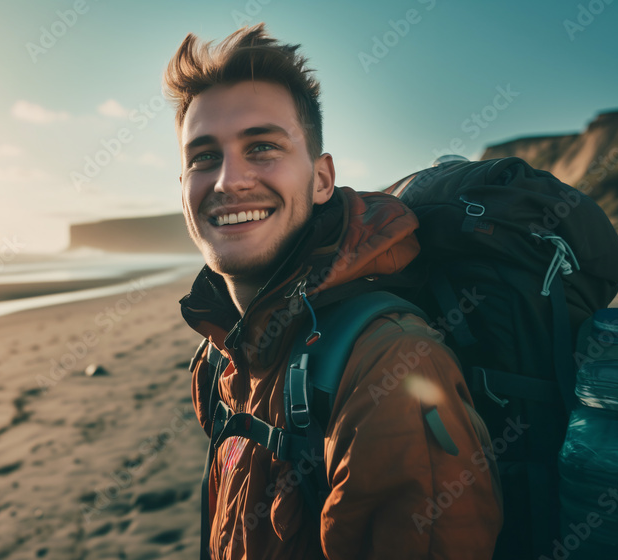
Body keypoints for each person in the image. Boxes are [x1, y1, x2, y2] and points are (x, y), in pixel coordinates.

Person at [165, 24, 502, 559]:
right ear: (182, 188)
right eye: (203, 157)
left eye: (263, 147)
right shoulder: (219, 356)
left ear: (322, 180)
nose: (228, 180)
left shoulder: (389, 371)